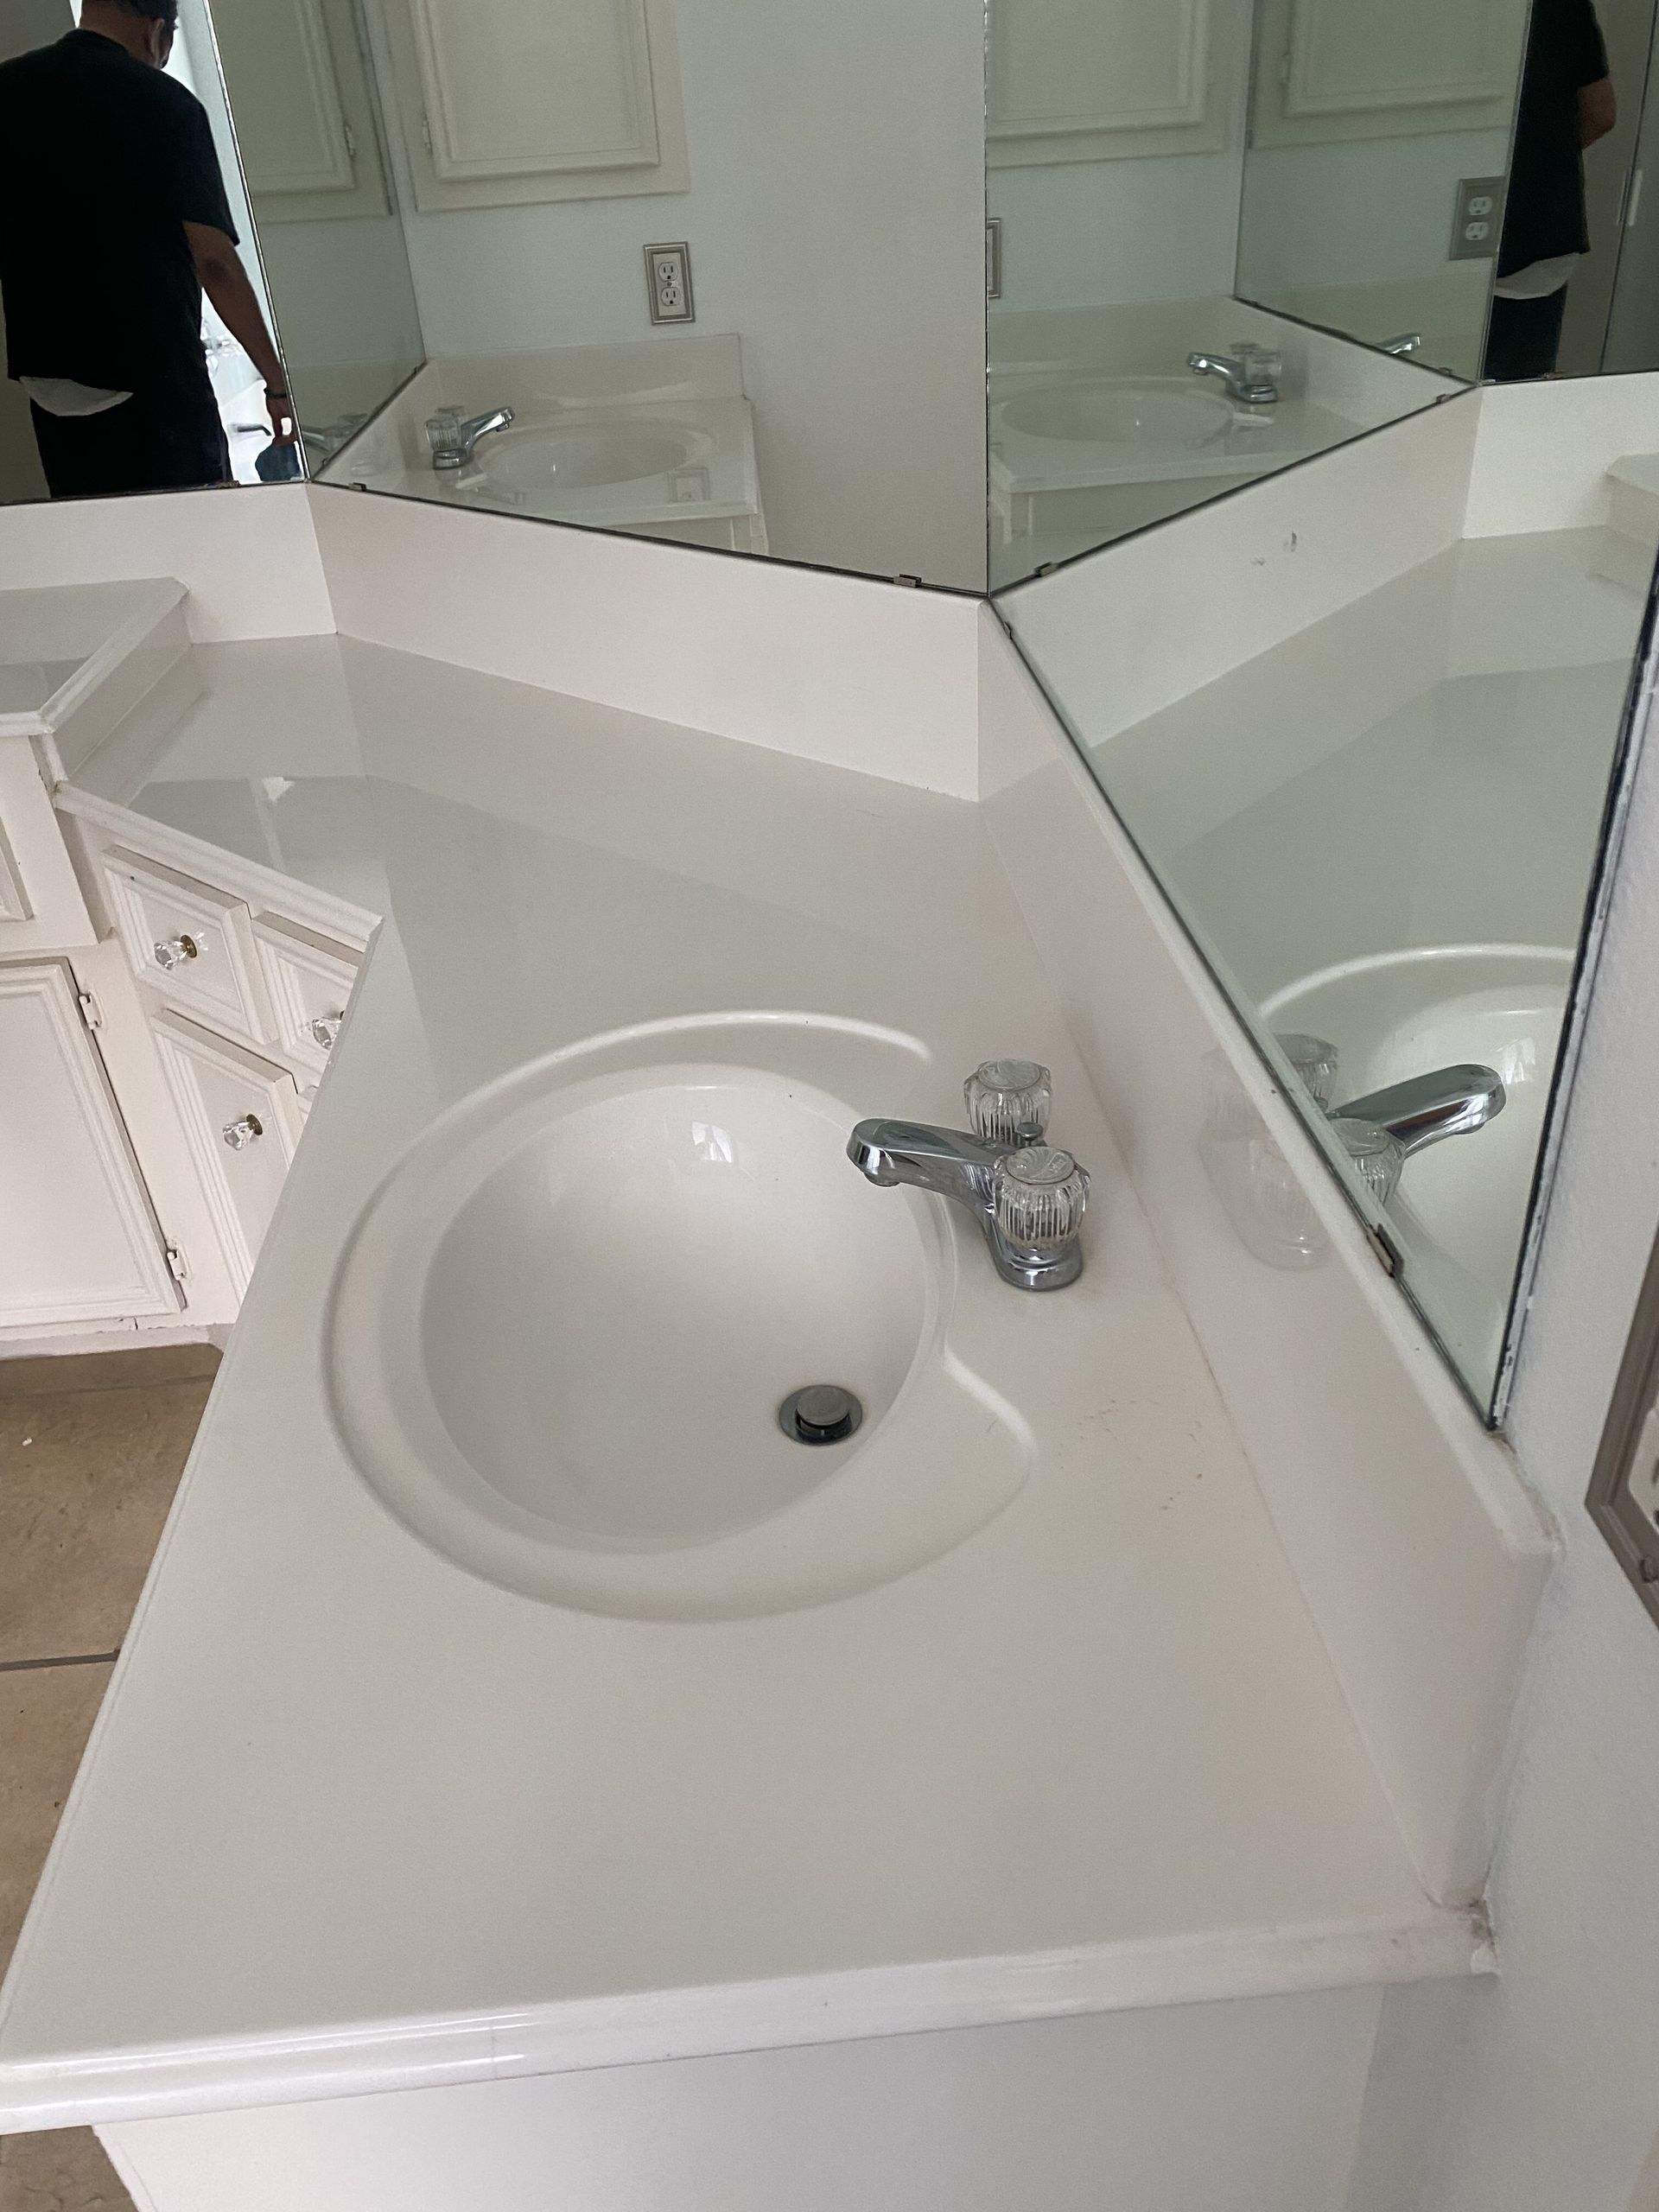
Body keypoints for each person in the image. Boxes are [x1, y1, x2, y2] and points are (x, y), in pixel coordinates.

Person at [0, 0, 296, 499]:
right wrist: (276, 381)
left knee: (98, 530)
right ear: (157, 31)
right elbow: (215, 263)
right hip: (153, 381)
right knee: (196, 530)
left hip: (48, 378)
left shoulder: (7, 89)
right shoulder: (166, 104)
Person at [1484, 0, 1618, 382]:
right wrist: (1539, 163)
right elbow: (1600, 114)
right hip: (1538, 230)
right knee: (1514, 389)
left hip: (1440, 225)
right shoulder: (1562, 6)